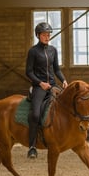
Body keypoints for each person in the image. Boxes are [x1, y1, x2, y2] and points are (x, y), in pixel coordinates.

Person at [25, 22, 68, 159]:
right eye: (44, 34)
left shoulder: (53, 50)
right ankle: (32, 146)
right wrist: (40, 83)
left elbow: (56, 69)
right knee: (36, 115)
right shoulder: (33, 51)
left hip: (53, 85)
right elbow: (29, 72)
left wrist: (64, 80)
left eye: (48, 35)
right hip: (39, 87)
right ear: (38, 35)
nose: (47, 37)